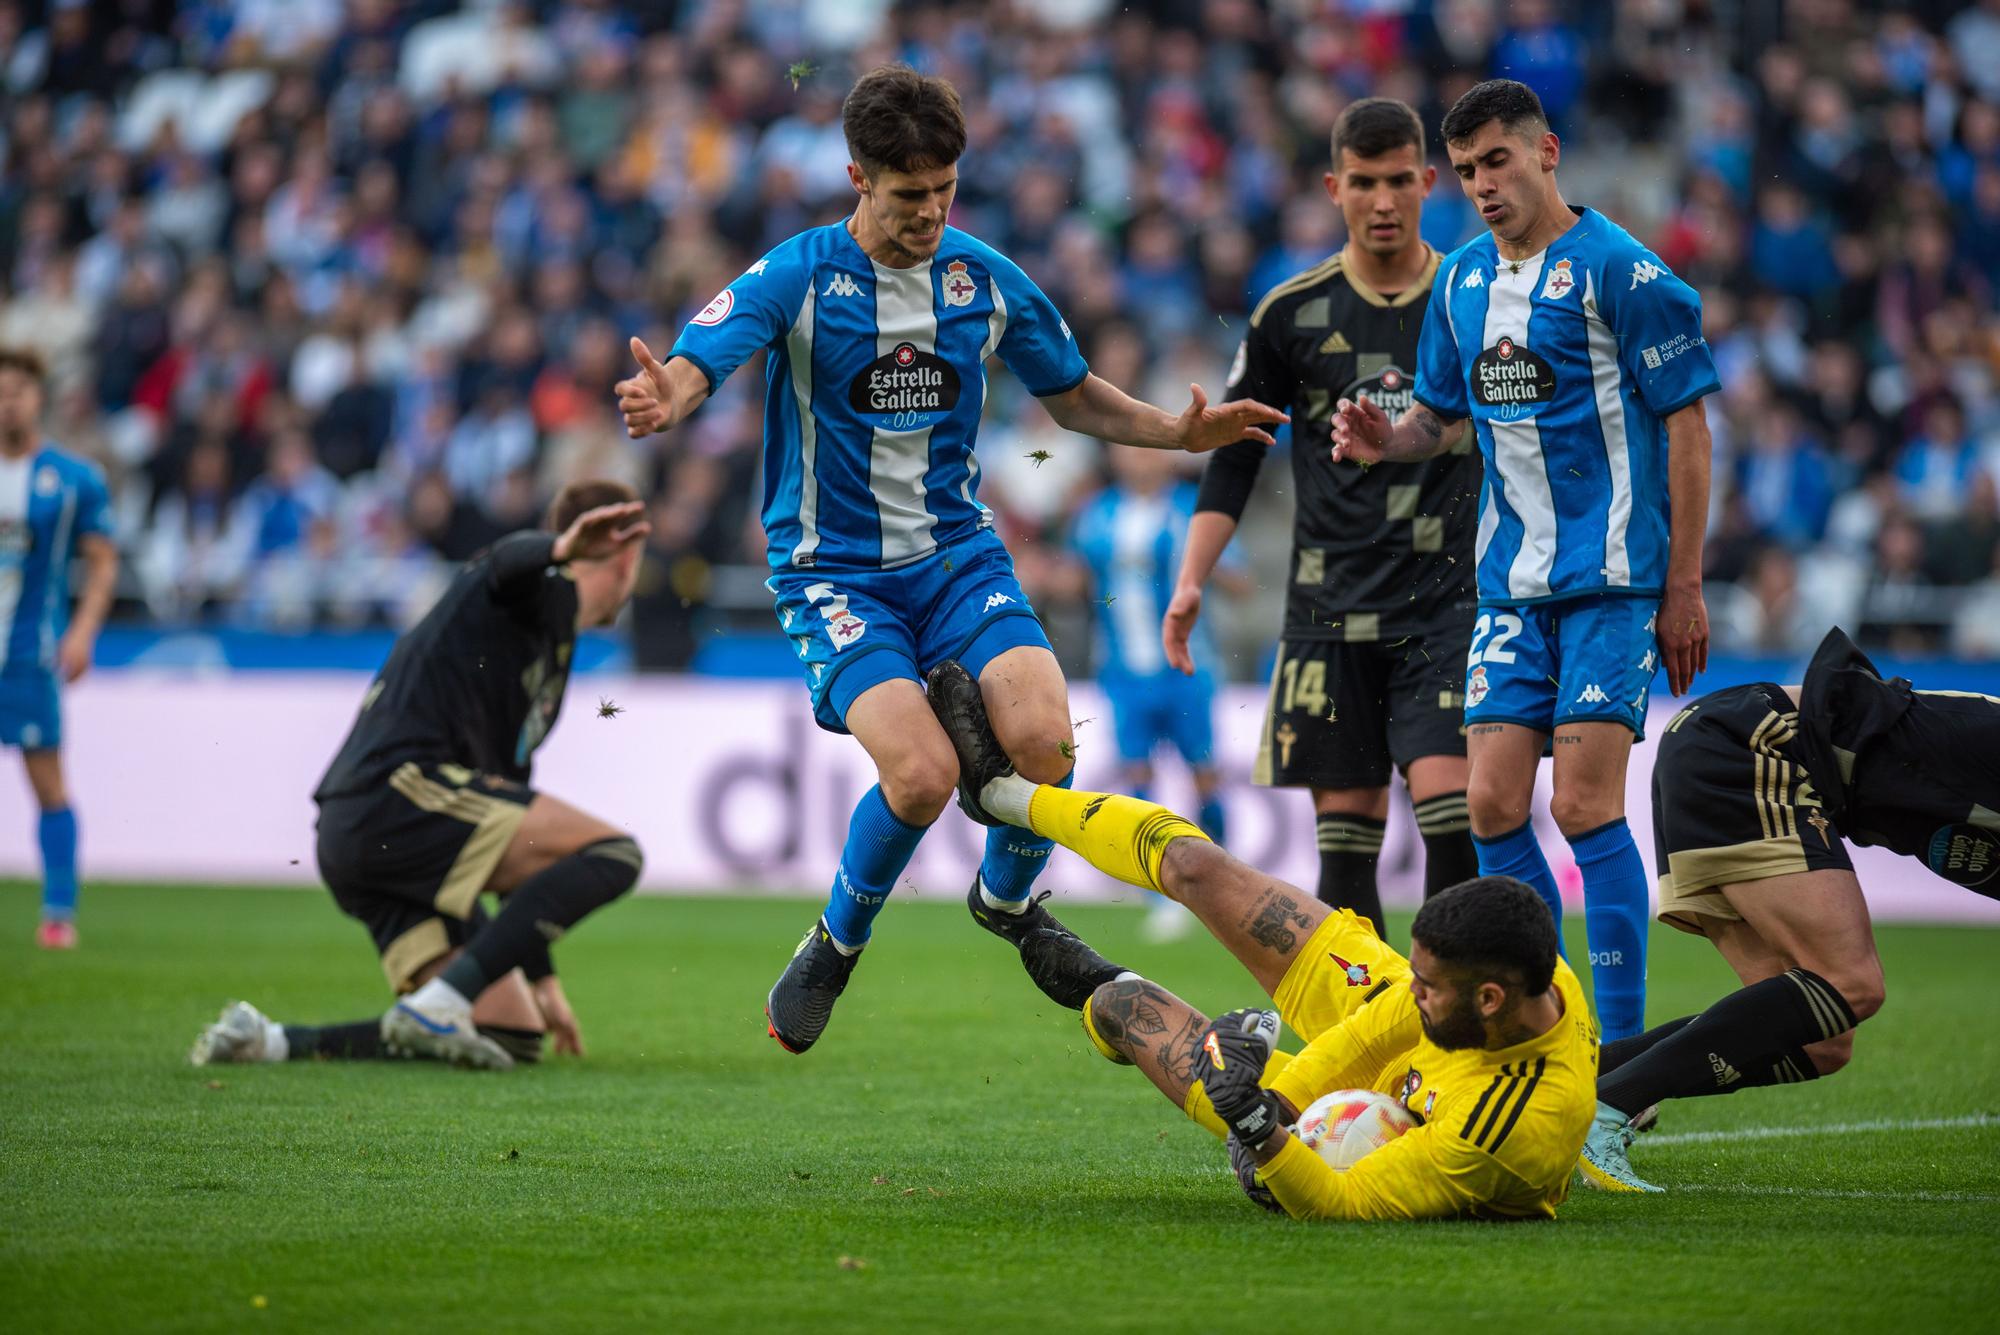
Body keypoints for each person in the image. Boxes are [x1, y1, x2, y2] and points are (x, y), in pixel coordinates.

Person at [612, 66, 1284, 1054]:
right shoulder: (797, 275)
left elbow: (1072, 396)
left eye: (943, 189)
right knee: (923, 776)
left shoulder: (979, 277)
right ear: (856, 176)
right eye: (906, 193)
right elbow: (698, 363)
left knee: (1046, 746)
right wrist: (665, 398)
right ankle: (838, 940)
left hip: (956, 559)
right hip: (833, 574)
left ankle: (1004, 902)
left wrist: (1174, 436)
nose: (929, 212)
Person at [925, 659, 1597, 1221]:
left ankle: (1084, 969)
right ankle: (1005, 795)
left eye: (1428, 982)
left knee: (1118, 1009)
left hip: (1380, 1132)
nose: (1411, 988)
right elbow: (1370, 1033)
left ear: (1487, 997)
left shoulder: (1508, 1130)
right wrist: (1273, 1098)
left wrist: (1256, 1126)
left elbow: (1338, 1197)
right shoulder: (1470, 989)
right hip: (1399, 1053)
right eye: (1415, 972)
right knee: (1196, 865)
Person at [1332, 80, 1720, 1041]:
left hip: (1614, 586)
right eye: (1465, 172)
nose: (1482, 185)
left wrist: (1684, 587)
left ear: (1547, 151)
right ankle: (1546, 1033)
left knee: (1585, 805)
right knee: (1494, 806)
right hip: (1510, 588)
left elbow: (1690, 430)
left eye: (1497, 161)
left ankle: (1622, 1063)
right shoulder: (1461, 282)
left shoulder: (1623, 274)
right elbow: (1436, 418)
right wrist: (1388, 439)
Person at [190, 480, 650, 1071]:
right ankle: (439, 1003)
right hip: (398, 796)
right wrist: (559, 548)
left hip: (370, 837)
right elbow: (500, 565)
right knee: (615, 854)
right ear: (626, 559)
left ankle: (274, 1041)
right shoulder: (533, 587)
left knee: (511, 1035)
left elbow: (517, 832)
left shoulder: (550, 647)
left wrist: (542, 976)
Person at [1167, 97, 1480, 940]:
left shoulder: (1471, 296)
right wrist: (1191, 579)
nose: (1383, 202)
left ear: (1427, 182)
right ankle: (1373, 1041)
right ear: (1334, 187)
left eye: (1399, 182)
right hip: (1327, 608)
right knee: (1344, 854)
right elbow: (1235, 454)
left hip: (1449, 603)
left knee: (1456, 819)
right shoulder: (1288, 313)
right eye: (1364, 183)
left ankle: (1469, 1041)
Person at [1580, 627, 1995, 1191]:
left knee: (1818, 1041)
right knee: (1850, 984)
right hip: (1747, 749)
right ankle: (1609, 1106)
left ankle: (1563, 1081)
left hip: (1722, 752)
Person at [1069, 444, 1236, 942]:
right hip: (1122, 672)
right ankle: (1161, 895)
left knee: (1204, 777)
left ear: (1167, 457)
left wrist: (1209, 564)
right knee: (1138, 779)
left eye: (1149, 452)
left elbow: (1239, 579)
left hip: (1185, 668)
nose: (1141, 460)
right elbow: (1076, 581)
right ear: (1116, 459)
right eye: (1130, 452)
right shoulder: (1096, 513)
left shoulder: (1191, 508)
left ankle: (1222, 887)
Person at [0, 348, 116, 950]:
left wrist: (84, 630)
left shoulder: (72, 479)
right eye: (1, 391)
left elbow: (101, 561)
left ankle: (58, 913)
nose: (8, 401)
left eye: (18, 390)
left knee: (47, 783)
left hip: (29, 654)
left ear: (38, 397)